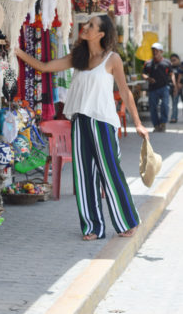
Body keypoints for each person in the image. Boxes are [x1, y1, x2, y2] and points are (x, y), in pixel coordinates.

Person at [15, 15, 148, 241]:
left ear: (101, 34)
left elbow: (125, 92)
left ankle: (127, 221)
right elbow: (44, 67)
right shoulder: (78, 57)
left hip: (103, 122)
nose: (85, 27)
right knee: (84, 174)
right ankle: (93, 227)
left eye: (91, 25)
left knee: (110, 172)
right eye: (86, 24)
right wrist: (16, 51)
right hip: (79, 121)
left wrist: (137, 123)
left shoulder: (112, 58)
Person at [142, 42, 176, 132]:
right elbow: (143, 74)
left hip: (164, 87)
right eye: (153, 50)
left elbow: (171, 74)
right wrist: (148, 78)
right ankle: (156, 125)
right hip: (153, 89)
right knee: (153, 107)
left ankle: (163, 123)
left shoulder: (167, 62)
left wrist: (175, 85)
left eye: (156, 51)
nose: (154, 52)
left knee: (165, 105)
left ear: (161, 52)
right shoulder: (148, 63)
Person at [169, 53, 183, 123]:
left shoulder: (181, 65)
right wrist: (175, 87)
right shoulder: (170, 67)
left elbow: (180, 75)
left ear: (178, 59)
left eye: (174, 60)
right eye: (171, 61)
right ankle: (174, 118)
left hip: (181, 86)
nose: (173, 62)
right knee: (174, 103)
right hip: (174, 88)